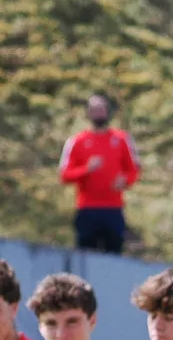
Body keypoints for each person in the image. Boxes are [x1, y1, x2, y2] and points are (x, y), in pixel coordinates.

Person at [58, 93, 141, 255]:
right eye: (94, 110)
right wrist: (86, 169)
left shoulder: (122, 139)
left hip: (113, 209)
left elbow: (134, 170)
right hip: (87, 209)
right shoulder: (77, 141)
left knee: (114, 256)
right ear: (88, 113)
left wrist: (125, 180)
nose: (98, 113)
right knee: (85, 255)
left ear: (108, 111)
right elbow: (65, 175)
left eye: (101, 109)